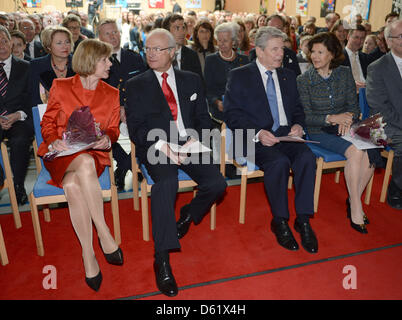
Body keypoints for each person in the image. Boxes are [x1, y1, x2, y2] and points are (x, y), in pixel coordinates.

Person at [125, 28, 227, 297]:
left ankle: (188, 216)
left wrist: (200, 140)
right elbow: (135, 130)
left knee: (218, 183)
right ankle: (162, 258)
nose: (151, 54)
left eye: (157, 49)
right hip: (156, 145)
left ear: (173, 52)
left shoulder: (191, 80)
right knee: (166, 183)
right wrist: (163, 145)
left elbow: (203, 119)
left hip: (189, 143)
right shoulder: (136, 84)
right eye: (147, 48)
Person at [37, 39, 123, 291]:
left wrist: (108, 138)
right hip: (62, 155)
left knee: (75, 184)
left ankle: (88, 254)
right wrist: (53, 140)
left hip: (92, 155)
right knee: (81, 165)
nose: (109, 63)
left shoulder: (112, 93)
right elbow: (48, 123)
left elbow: (114, 129)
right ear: (90, 61)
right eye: (105, 59)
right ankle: (103, 231)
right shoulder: (60, 86)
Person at [224, 26, 318, 253]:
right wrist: (258, 133)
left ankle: (303, 219)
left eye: (282, 49)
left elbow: (297, 109)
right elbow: (232, 114)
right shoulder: (239, 75)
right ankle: (280, 220)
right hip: (252, 137)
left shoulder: (288, 75)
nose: (281, 54)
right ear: (259, 51)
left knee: (307, 158)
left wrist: (298, 125)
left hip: (285, 133)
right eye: (275, 49)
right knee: (279, 163)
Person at [297, 32, 373, 233]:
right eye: (313, 51)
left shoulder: (344, 73)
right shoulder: (304, 80)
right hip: (319, 130)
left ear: (332, 54)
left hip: (347, 125)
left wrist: (348, 117)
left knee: (373, 148)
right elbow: (306, 117)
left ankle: (352, 199)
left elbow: (354, 106)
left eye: (320, 52)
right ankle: (356, 208)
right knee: (356, 152)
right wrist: (331, 118)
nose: (315, 56)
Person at [98, 19, 146, 191]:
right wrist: (118, 107)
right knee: (102, 133)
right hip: (108, 110)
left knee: (146, 130)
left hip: (135, 108)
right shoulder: (97, 62)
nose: (113, 36)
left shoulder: (134, 57)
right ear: (99, 37)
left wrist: (129, 107)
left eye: (115, 32)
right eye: (107, 33)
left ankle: (125, 168)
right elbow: (98, 91)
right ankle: (128, 164)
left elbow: (143, 86)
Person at [366, 19, 402, 210]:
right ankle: (396, 189)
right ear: (389, 41)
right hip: (380, 125)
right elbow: (379, 107)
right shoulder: (377, 67)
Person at [0, 26, 33, 204]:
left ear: (11, 43)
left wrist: (18, 115)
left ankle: (18, 185)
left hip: (20, 118)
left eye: (4, 41)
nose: (1, 46)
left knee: (20, 140)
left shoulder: (27, 67)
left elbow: (32, 99)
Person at [204, 22, 248, 123]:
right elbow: (207, 89)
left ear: (233, 41)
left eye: (225, 40)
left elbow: (248, 87)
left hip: (241, 112)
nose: (221, 43)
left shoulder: (244, 60)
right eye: (219, 40)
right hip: (219, 114)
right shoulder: (211, 60)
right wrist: (216, 102)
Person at [29, 26, 75, 107]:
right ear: (48, 46)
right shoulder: (36, 66)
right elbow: (32, 98)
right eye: (59, 43)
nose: (65, 46)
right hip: (45, 115)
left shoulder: (80, 63)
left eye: (67, 42)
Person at [342, 25, 384, 93]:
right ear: (348, 37)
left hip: (367, 94)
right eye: (356, 37)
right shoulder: (338, 57)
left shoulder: (366, 58)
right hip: (348, 94)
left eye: (362, 38)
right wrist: (350, 85)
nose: (359, 41)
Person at [162, 14, 203, 80]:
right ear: (167, 31)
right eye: (177, 28)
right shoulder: (160, 54)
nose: (182, 32)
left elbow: (199, 82)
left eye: (183, 28)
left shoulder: (192, 55)